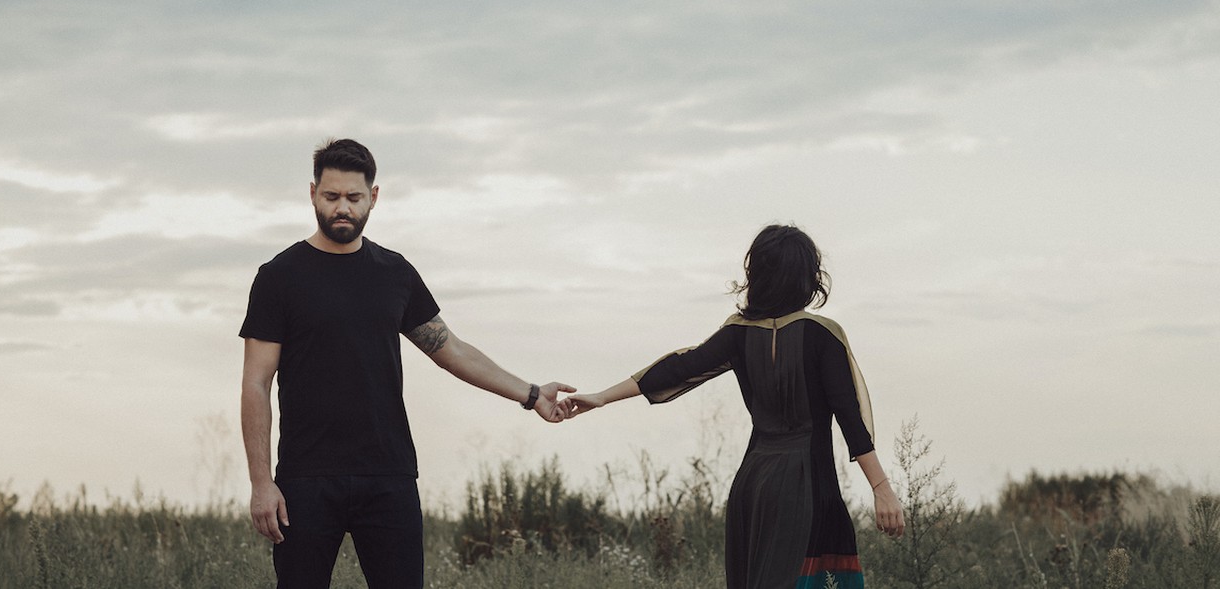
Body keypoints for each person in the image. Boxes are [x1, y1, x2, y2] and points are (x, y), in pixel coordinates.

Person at [239, 139, 575, 589]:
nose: (343, 208)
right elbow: (256, 383)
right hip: (306, 479)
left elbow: (451, 350)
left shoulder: (393, 273)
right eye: (332, 196)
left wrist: (531, 394)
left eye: (354, 198)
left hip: (388, 476)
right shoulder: (279, 277)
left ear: (373, 198)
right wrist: (262, 483)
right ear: (313, 192)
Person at [566, 224, 905, 589]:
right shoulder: (823, 334)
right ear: (807, 276)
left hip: (753, 485)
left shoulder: (738, 332)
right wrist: (881, 488)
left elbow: (677, 367)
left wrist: (601, 396)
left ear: (757, 275)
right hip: (806, 484)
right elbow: (849, 418)